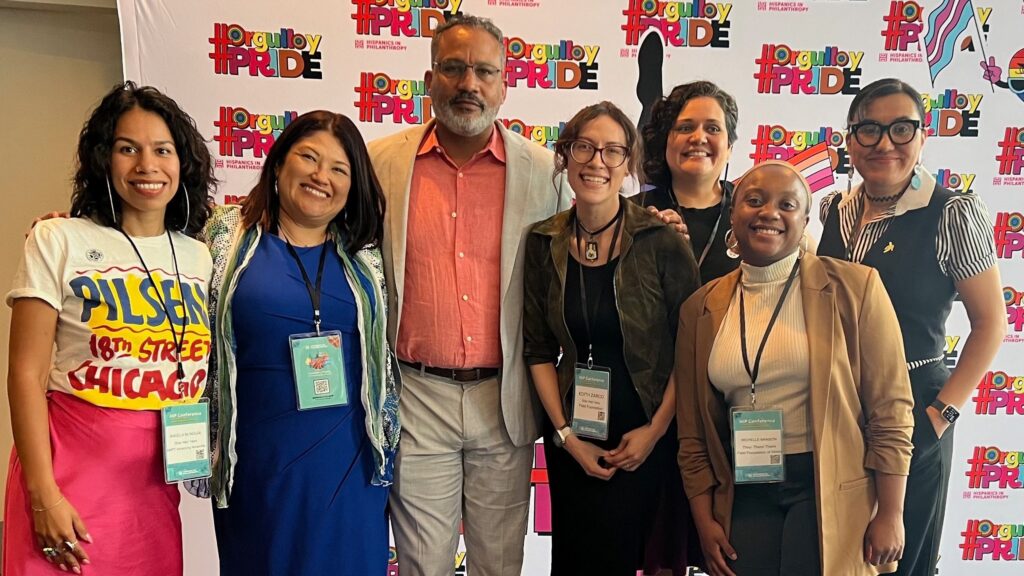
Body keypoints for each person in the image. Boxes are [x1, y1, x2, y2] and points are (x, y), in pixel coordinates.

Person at [4, 81, 214, 576]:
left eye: (162, 150)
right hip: (70, 474)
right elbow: (25, 376)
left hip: (152, 487)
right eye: (127, 149)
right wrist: (43, 496)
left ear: (182, 162)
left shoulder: (200, 255)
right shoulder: (58, 238)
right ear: (103, 159)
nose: (147, 165)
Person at [677, 161, 915, 576]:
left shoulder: (855, 289)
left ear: (805, 221)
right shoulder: (699, 308)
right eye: (754, 200)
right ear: (733, 213)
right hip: (744, 490)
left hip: (826, 485)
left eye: (787, 204)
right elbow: (693, 434)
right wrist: (703, 520)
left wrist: (891, 511)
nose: (769, 212)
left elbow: (890, 410)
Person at [817, 78, 1005, 576]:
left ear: (923, 137)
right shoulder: (833, 209)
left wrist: (940, 414)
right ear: (850, 139)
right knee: (838, 556)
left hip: (914, 406)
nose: (884, 143)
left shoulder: (953, 214)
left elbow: (990, 325)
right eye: (870, 130)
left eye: (901, 129)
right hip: (838, 405)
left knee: (902, 560)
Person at [204, 110, 398, 576]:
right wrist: (82, 228)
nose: (320, 176)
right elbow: (149, 245)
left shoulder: (367, 253)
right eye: (308, 157)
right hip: (257, 458)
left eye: (338, 168)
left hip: (349, 458)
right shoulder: (222, 234)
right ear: (278, 164)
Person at [523, 101, 699, 575]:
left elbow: (691, 349)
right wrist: (564, 437)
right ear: (565, 156)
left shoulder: (661, 242)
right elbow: (538, 350)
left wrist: (655, 431)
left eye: (612, 151)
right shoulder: (543, 242)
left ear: (628, 165)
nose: (596, 161)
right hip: (575, 441)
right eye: (584, 147)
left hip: (645, 439)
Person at [638, 80, 740, 284]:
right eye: (685, 128)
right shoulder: (635, 214)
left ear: (729, 147)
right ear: (664, 140)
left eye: (712, 128)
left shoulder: (751, 211)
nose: (699, 138)